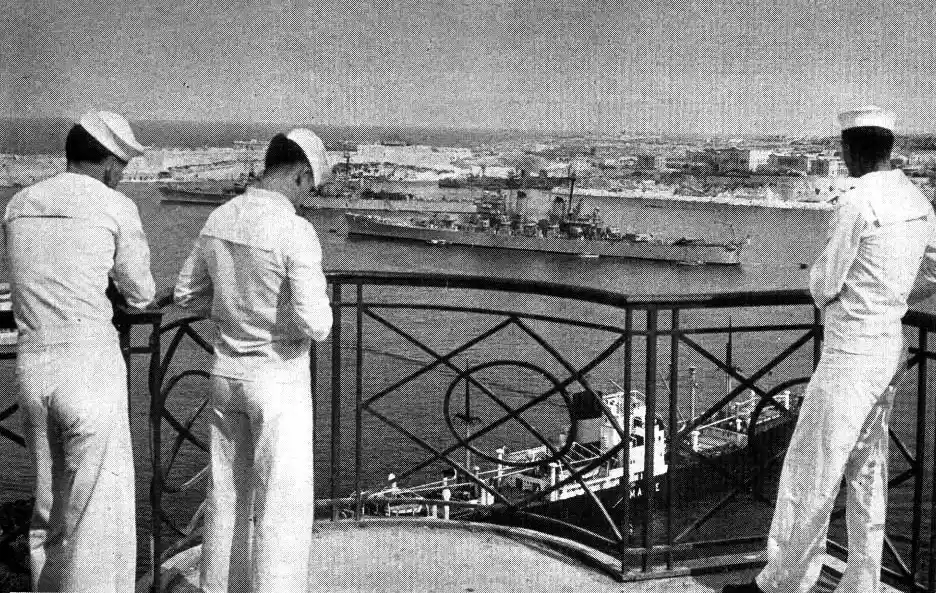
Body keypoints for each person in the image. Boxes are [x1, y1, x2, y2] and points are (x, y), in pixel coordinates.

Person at [724, 106, 936, 593]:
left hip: (850, 355)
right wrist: (893, 297)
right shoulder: (918, 200)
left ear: (852, 151)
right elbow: (932, 272)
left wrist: (835, 290)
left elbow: (825, 282)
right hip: (891, 347)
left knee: (810, 470)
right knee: (868, 468)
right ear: (888, 148)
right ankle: (862, 583)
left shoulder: (856, 202)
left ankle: (780, 585)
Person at [175, 128, 333, 593]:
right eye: (310, 190)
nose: (307, 201)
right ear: (303, 175)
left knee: (226, 495)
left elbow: (185, 293)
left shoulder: (221, 217)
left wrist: (231, 305)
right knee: (280, 506)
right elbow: (317, 325)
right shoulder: (295, 231)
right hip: (278, 381)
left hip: (225, 374)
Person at [4, 111, 155, 592]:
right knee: (93, 516)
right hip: (88, 366)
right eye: (122, 166)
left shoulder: (20, 202)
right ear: (110, 163)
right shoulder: (114, 206)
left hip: (32, 368)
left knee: (48, 512)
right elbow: (141, 293)